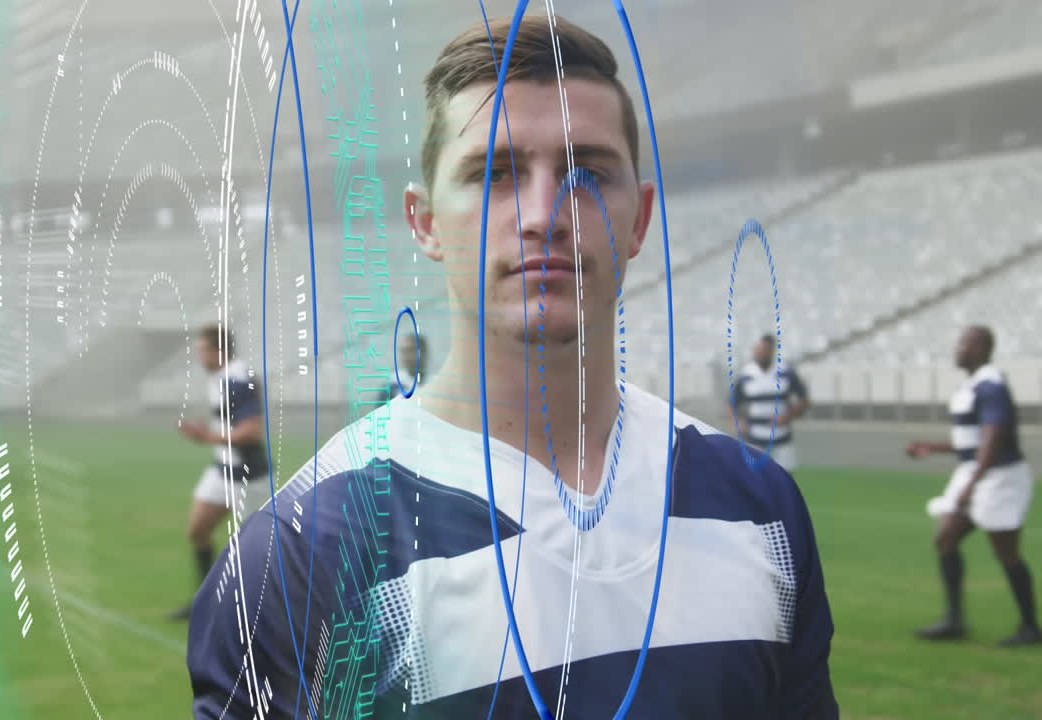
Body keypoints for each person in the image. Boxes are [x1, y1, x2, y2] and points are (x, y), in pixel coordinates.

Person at [188, 15, 837, 718]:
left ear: (640, 218)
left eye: (585, 172)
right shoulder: (304, 555)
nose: (544, 213)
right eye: (494, 174)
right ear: (426, 221)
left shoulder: (759, 512)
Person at [907, 325, 1038, 646]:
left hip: (1000, 477)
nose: (957, 348)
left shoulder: (991, 385)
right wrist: (932, 448)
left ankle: (1031, 628)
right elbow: (974, 441)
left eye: (964, 343)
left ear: (980, 348)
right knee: (946, 538)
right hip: (977, 472)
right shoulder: (976, 385)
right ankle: (954, 621)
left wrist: (971, 485)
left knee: (1006, 552)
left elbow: (994, 438)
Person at [168, 322, 270, 621]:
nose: (200, 357)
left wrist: (205, 437)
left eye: (203, 350)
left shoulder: (239, 380)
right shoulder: (219, 378)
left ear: (220, 351)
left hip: (249, 476)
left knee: (259, 550)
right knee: (197, 530)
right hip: (221, 471)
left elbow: (251, 433)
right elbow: (229, 422)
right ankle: (205, 602)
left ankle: (267, 611)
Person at [732, 334, 811, 472]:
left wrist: (787, 416)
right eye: (758, 349)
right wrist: (738, 421)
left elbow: (804, 400)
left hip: (781, 439)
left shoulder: (786, 372)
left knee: (785, 480)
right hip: (755, 439)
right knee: (756, 482)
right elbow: (732, 402)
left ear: (772, 350)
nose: (761, 353)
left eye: (764, 350)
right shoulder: (746, 374)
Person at [379, 331, 428, 402]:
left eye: (411, 350)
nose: (406, 356)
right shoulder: (391, 388)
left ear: (423, 351)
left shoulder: (436, 383)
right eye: (403, 351)